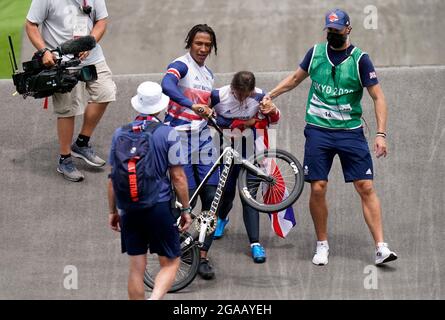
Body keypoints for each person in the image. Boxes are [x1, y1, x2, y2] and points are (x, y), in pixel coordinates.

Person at [264, 9, 397, 266]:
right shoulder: (315, 53)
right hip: (318, 131)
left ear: (348, 29)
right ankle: (322, 244)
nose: (332, 34)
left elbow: (378, 97)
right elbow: (294, 79)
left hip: (350, 132)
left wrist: (381, 134)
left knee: (365, 186)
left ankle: (381, 247)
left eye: (337, 30)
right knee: (318, 187)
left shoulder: (361, 60)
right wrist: (271, 95)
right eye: (329, 30)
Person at [108, 81, 192, 300]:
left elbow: (112, 179)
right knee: (172, 261)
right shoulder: (168, 133)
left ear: (138, 105)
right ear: (160, 107)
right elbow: (178, 177)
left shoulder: (119, 134)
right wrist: (186, 209)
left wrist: (113, 211)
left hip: (129, 208)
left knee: (136, 266)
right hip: (159, 206)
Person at [26, 0, 117, 182]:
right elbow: (31, 24)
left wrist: (90, 43)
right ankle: (65, 159)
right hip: (62, 61)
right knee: (69, 109)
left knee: (106, 92)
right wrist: (44, 51)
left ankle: (81, 144)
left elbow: (101, 21)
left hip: (93, 57)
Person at [161, 24, 219, 279]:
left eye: (208, 45)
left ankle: (202, 254)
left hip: (203, 140)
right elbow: (166, 84)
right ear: (190, 43)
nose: (203, 49)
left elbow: (208, 108)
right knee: (187, 197)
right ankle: (181, 248)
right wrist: (190, 103)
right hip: (179, 139)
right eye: (199, 44)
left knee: (211, 196)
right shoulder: (181, 64)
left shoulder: (209, 75)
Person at [210, 71, 281, 263]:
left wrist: (272, 110)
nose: (242, 99)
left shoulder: (259, 95)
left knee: (249, 196)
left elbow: (274, 120)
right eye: (238, 94)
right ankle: (222, 219)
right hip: (225, 147)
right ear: (232, 88)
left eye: (246, 95)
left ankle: (255, 244)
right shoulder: (217, 95)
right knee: (226, 192)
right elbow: (209, 118)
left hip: (251, 149)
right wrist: (241, 122)